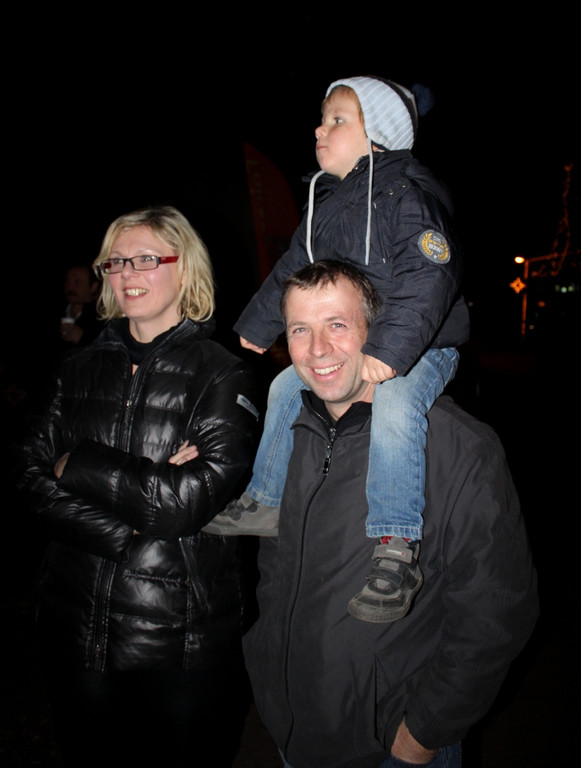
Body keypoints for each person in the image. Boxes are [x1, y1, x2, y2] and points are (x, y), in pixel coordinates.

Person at [242, 260, 539, 768]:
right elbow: (274, 569)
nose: (317, 349)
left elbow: (496, 613)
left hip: (389, 744)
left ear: (377, 332)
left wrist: (425, 732)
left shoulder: (457, 448)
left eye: (337, 324)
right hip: (292, 728)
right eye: (299, 330)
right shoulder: (287, 437)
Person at [204, 75, 469, 623]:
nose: (320, 130)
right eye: (323, 119)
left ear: (380, 136)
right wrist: (260, 324)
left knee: (395, 402)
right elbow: (293, 270)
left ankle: (396, 545)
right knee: (285, 385)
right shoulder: (325, 204)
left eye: (337, 120)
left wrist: (391, 350)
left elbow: (431, 273)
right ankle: (267, 500)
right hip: (359, 345)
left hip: (422, 345)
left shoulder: (407, 194)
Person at [13, 205, 259, 767]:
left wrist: (75, 464)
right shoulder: (74, 368)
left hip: (179, 639)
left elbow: (187, 501)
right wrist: (126, 528)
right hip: (74, 625)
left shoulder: (222, 372)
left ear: (184, 267)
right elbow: (26, 478)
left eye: (146, 258)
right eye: (116, 261)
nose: (127, 273)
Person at [59, 263, 104, 347]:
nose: (70, 287)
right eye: (67, 281)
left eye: (77, 282)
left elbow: (106, 349)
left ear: (93, 287)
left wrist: (82, 338)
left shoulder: (101, 318)